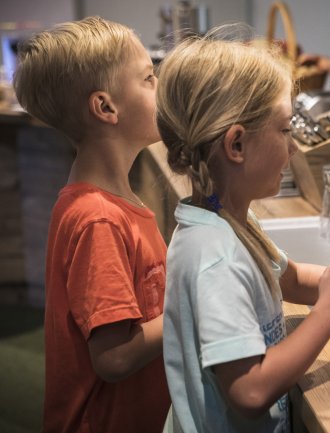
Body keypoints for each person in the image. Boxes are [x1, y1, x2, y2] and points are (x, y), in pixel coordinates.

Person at [156, 25, 330, 433]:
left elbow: (292, 279)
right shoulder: (214, 255)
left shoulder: (225, 218)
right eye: (285, 130)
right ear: (236, 145)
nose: (293, 148)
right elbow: (249, 391)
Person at [13, 17, 170, 432]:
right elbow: (115, 356)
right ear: (105, 107)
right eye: (149, 79)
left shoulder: (116, 202)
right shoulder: (98, 219)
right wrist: (198, 305)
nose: (161, 90)